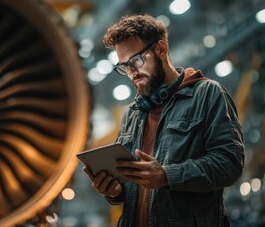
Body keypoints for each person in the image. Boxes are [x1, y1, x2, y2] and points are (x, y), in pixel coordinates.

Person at [82, 14, 245, 226]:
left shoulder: (208, 95)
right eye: (124, 66)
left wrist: (167, 176)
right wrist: (115, 191)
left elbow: (230, 164)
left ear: (161, 49)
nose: (131, 73)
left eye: (135, 61)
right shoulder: (133, 112)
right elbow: (133, 184)